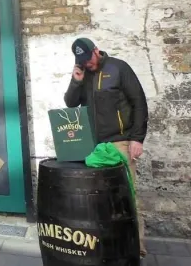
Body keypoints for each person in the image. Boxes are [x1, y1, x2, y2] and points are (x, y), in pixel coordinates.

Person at [64, 37, 149, 257]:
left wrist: (137, 138)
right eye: (82, 60)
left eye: (88, 58)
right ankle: (105, 245)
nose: (87, 63)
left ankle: (136, 247)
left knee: (127, 195)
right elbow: (70, 103)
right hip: (94, 147)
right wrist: (76, 81)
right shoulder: (83, 73)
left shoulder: (119, 68)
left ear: (96, 50)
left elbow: (139, 102)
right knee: (98, 198)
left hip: (119, 143)